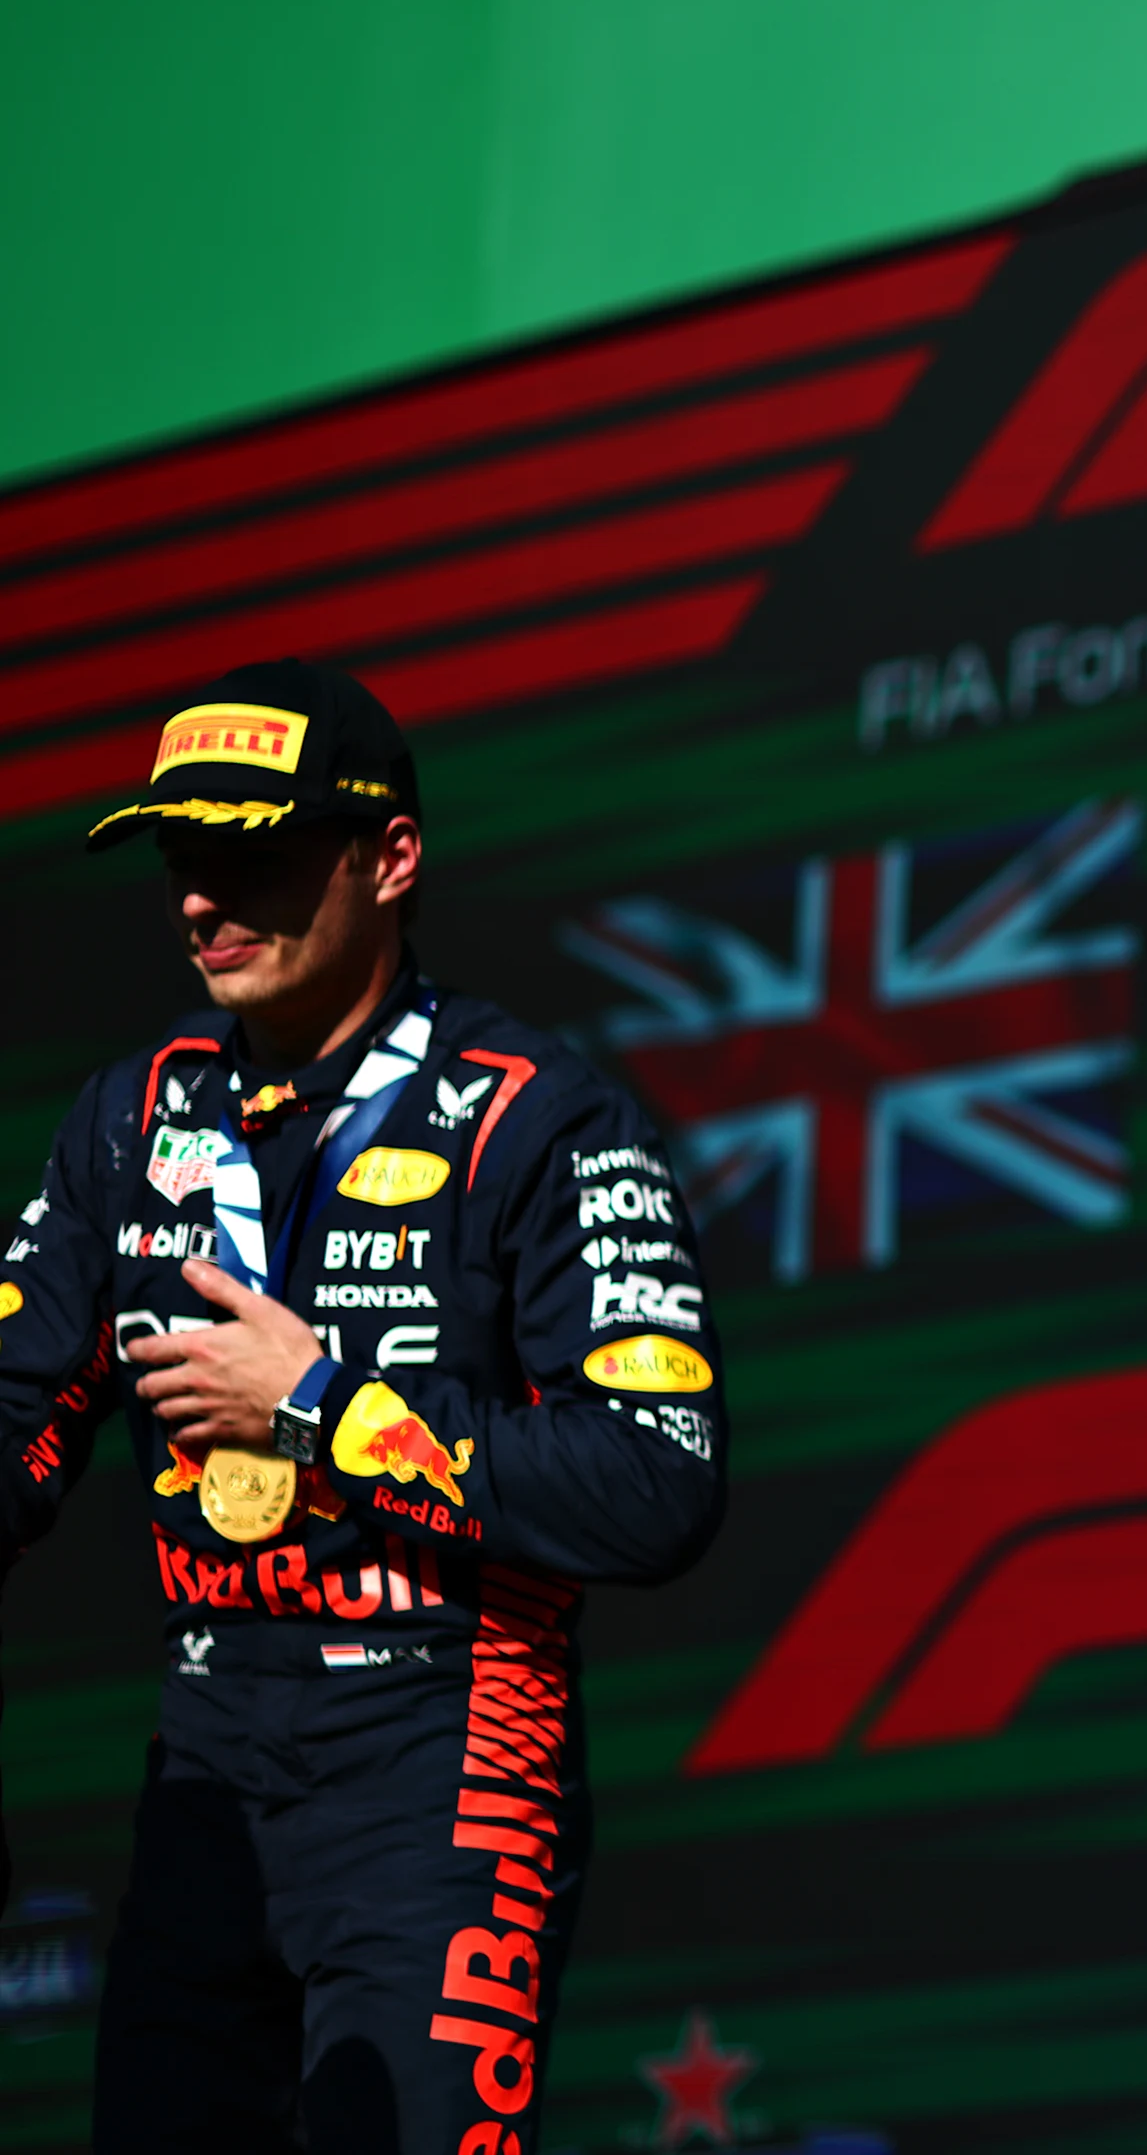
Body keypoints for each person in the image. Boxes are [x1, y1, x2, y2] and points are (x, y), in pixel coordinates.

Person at [0, 660, 728, 2153]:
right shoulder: (131, 1117)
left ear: (388, 858)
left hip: (447, 1737)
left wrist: (323, 1409)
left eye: (249, 854)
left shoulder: (538, 1115)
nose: (201, 901)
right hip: (205, 1750)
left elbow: (656, 1480)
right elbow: (12, 1417)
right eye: (178, 858)